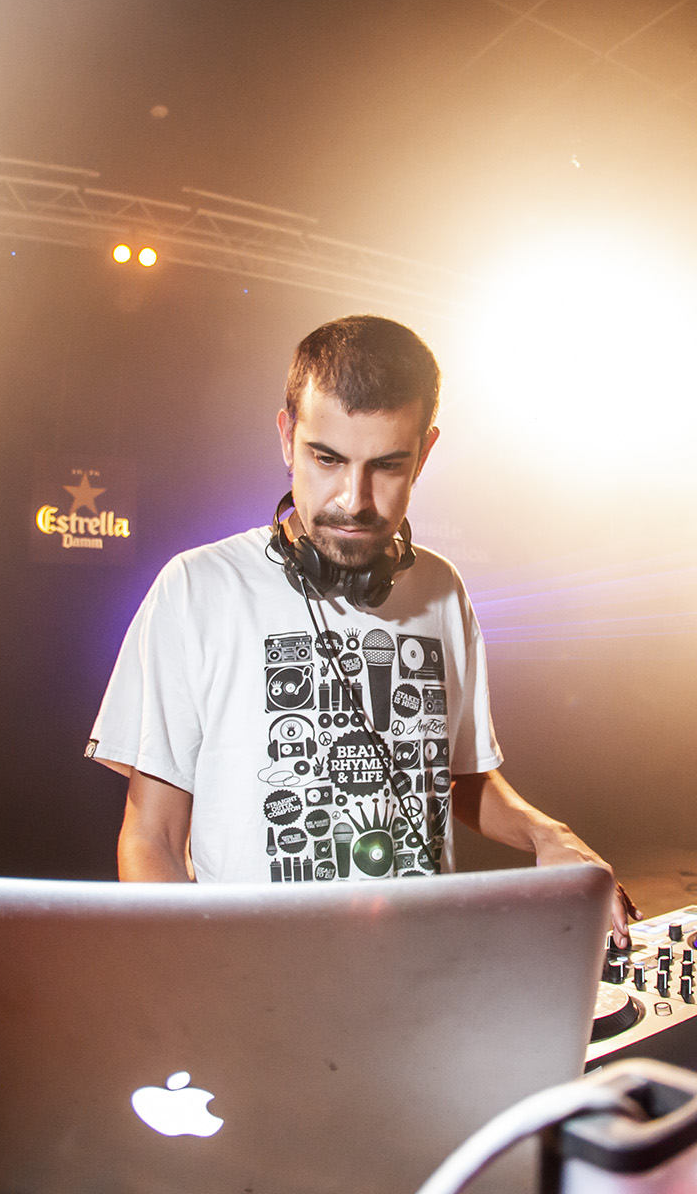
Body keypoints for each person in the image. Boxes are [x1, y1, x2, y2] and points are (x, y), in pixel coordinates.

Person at [88, 315, 633, 941]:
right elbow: (152, 839)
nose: (354, 499)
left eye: (388, 465)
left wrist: (549, 836)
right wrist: (197, 978)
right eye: (327, 458)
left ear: (424, 454)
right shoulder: (195, 590)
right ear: (287, 437)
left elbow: (457, 779)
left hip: (423, 973)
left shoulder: (441, 589)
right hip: (254, 983)